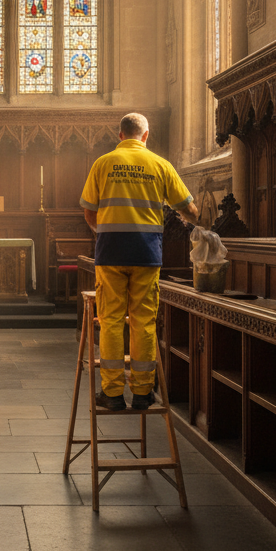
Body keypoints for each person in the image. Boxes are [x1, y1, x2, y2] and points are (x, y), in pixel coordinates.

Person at [80, 112, 199, 410]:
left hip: (110, 254)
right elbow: (191, 210)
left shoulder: (103, 163)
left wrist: (106, 231)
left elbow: (89, 212)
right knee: (144, 321)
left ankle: (112, 393)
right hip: (146, 254)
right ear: (145, 136)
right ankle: (144, 393)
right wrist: (194, 222)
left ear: (120, 135)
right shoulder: (160, 165)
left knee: (110, 321)